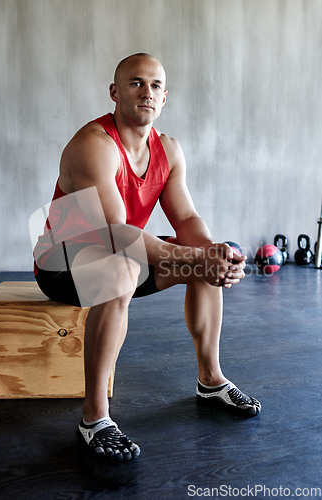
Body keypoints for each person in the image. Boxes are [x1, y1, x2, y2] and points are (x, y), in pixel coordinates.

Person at [33, 53, 261, 463]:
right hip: (62, 262)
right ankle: (94, 418)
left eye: (156, 85)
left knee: (203, 259)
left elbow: (187, 217)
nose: (147, 92)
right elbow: (114, 233)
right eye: (136, 83)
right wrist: (195, 256)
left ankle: (210, 380)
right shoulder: (94, 144)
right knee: (125, 267)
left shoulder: (169, 151)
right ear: (115, 92)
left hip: (119, 254)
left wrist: (214, 255)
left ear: (165, 97)